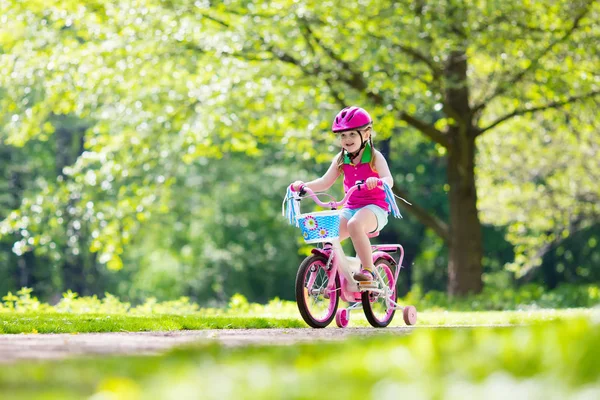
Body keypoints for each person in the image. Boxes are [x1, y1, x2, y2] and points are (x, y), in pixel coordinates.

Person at [291, 106, 394, 282]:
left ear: (367, 134)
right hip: (351, 207)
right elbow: (325, 182)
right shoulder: (341, 159)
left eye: (352, 134)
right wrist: (303, 186)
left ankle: (368, 271)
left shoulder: (375, 157)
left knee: (355, 225)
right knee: (327, 235)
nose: (347, 139)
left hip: (375, 208)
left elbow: (389, 180)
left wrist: (377, 182)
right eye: (343, 135)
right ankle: (343, 276)